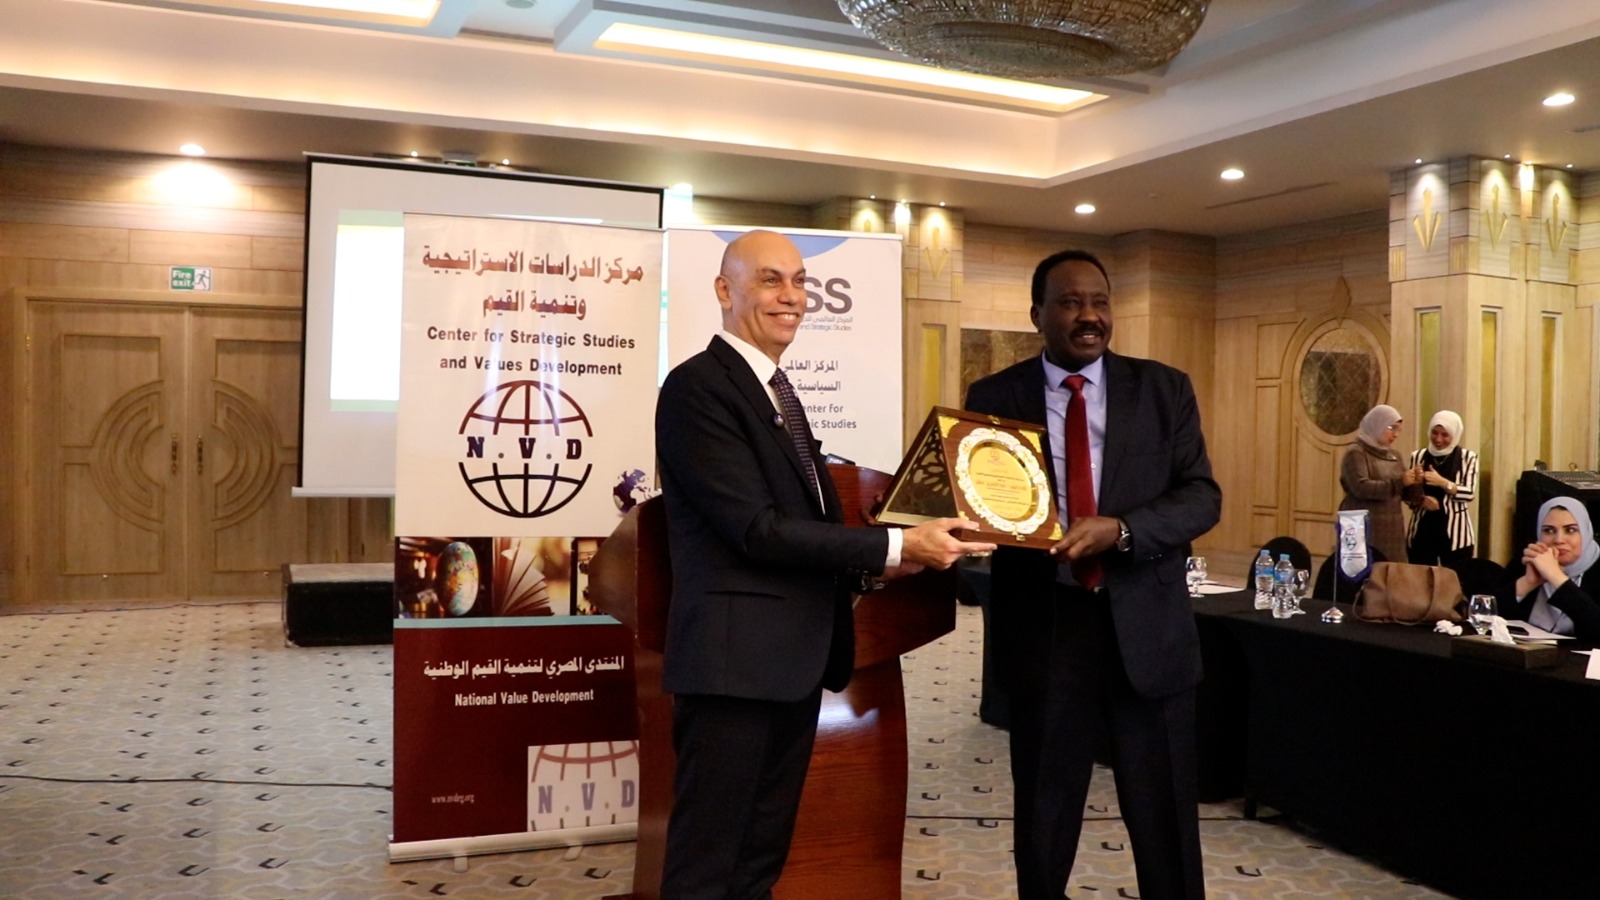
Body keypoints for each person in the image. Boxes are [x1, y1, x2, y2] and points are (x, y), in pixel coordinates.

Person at [653, 229, 995, 898]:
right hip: (733, 672)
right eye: (770, 280)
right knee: (707, 865)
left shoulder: (775, 390)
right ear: (724, 290)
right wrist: (897, 545)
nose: (792, 296)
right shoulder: (698, 388)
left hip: (789, 665)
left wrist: (880, 567)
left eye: (800, 281)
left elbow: (803, 524)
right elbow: (756, 530)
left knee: (758, 859)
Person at [964, 248, 1220, 900]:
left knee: (1165, 817)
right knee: (1044, 818)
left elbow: (1201, 498)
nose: (1089, 316)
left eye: (1100, 303)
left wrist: (1122, 530)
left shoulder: (1163, 389)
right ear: (1037, 315)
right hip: (1047, 629)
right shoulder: (994, 398)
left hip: (1148, 629)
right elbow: (979, 498)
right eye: (1071, 303)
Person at [1496, 497, 1600, 643]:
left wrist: (1556, 577)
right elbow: (1488, 617)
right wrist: (1527, 583)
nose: (1558, 539)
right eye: (1548, 530)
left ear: (1586, 532)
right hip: (1526, 653)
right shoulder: (1529, 560)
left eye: (1570, 530)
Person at [1338, 404, 1419, 565]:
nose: (1395, 434)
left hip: (1392, 531)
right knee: (1364, 575)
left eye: (1398, 430)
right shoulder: (1356, 452)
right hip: (1363, 527)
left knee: (1392, 574)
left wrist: (1415, 483)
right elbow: (1361, 487)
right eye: (1391, 428)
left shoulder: (1394, 455)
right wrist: (1399, 482)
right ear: (1377, 424)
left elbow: (1401, 491)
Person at [1404, 410, 1478, 568]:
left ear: (1455, 435)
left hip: (1455, 532)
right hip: (1422, 529)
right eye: (1434, 433)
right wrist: (1420, 499)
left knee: (1455, 577)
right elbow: (1408, 496)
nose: (1438, 439)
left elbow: (1469, 493)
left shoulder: (1467, 457)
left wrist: (1443, 483)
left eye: (1445, 435)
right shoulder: (1418, 456)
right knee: (1420, 578)